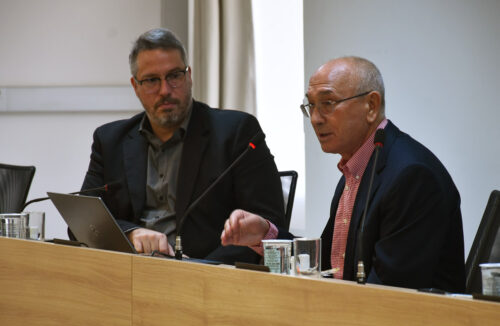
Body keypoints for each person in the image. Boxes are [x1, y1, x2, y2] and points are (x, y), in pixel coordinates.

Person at [221, 56, 466, 292]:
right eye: (311, 106)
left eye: (328, 103)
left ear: (371, 106)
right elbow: (329, 268)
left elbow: (389, 293)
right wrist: (266, 234)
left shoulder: (411, 176)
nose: (315, 119)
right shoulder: (357, 169)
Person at [79, 28, 285, 264]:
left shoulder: (236, 132)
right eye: (151, 80)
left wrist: (199, 269)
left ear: (189, 76)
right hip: (129, 274)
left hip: (209, 279)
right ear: (135, 86)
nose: (165, 90)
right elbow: (84, 222)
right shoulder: (110, 140)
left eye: (174, 76)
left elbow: (271, 226)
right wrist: (131, 233)